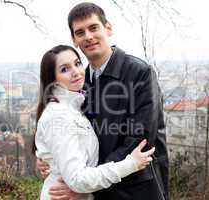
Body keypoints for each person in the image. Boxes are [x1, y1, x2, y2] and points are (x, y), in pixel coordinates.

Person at [37, 2, 169, 200]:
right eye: (80, 32)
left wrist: (84, 184)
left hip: (136, 189)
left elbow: (139, 139)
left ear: (108, 28)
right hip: (101, 188)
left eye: (93, 27)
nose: (88, 37)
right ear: (74, 39)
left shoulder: (139, 72)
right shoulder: (80, 83)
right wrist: (49, 159)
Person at [34, 45, 155, 200]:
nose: (76, 72)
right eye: (64, 69)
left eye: (77, 63)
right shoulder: (59, 116)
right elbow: (77, 179)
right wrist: (129, 164)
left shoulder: (75, 106)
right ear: (53, 80)